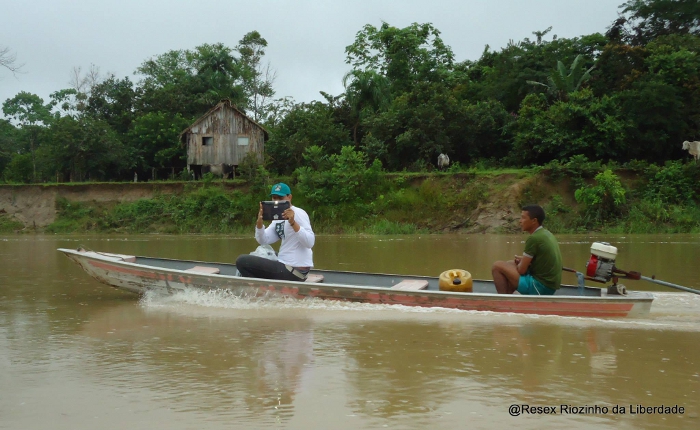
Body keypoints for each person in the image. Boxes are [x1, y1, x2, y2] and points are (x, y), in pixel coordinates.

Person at [236, 183, 315, 281]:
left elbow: (310, 242)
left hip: (295, 271)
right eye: (274, 198)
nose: (277, 201)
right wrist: (259, 224)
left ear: (289, 197)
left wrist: (293, 223)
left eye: (280, 198)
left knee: (242, 261)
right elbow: (264, 240)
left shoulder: (298, 213)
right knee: (266, 252)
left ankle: (257, 289)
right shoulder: (278, 217)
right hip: (286, 264)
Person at [491, 205, 562, 295]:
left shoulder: (533, 238)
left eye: (523, 218)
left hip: (540, 287)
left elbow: (521, 270)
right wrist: (524, 260)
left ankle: (504, 301)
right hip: (550, 286)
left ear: (534, 221)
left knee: (497, 266)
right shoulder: (546, 234)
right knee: (509, 263)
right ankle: (509, 295)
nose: (520, 221)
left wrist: (521, 264)